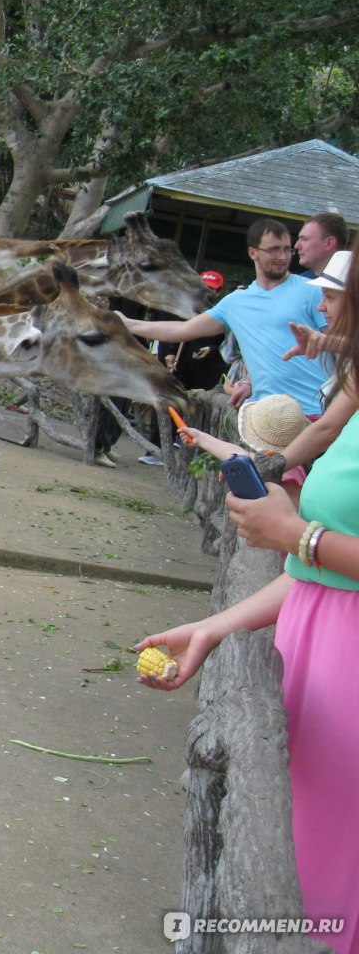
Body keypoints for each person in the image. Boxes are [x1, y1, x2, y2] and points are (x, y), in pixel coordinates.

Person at [139, 239, 359, 948]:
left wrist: (298, 536)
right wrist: (215, 626)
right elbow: (321, 586)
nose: (321, 307)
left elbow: (310, 554)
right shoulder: (351, 393)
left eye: (333, 296)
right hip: (315, 661)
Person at [122, 218, 326, 415]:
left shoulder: (312, 291)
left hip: (317, 411)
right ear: (253, 252)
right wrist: (128, 324)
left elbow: (341, 344)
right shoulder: (235, 302)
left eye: (286, 249)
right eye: (273, 249)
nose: (282, 257)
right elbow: (182, 330)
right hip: (266, 415)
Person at [295, 212, 347, 279]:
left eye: (305, 239)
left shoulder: (353, 285)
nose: (296, 246)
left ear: (329, 243)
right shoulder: (297, 284)